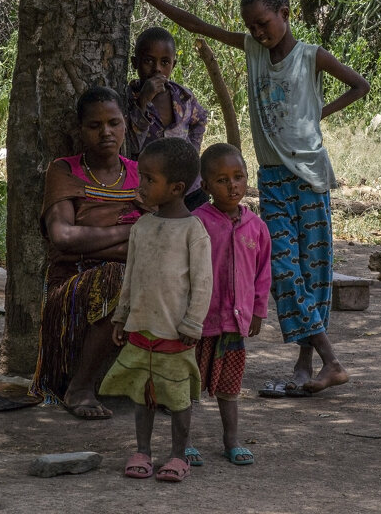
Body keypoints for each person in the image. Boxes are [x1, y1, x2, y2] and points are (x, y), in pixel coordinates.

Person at [134, 0, 369, 395]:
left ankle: (305, 366)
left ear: (286, 14)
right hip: (274, 180)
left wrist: (320, 113)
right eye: (252, 27)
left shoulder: (311, 56)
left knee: (312, 273)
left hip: (312, 178)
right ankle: (331, 359)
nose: (259, 33)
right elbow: (199, 26)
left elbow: (360, 86)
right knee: (282, 269)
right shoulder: (255, 52)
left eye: (264, 23)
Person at [99, 137, 213, 482]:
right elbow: (131, 277)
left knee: (178, 398)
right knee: (142, 395)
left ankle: (179, 455)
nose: (141, 185)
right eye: (141, 176)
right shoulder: (142, 227)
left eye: (150, 179)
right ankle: (143, 451)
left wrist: (193, 324)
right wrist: (121, 315)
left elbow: (202, 284)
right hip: (141, 329)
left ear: (177, 188)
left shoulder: (194, 232)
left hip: (176, 332)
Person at [32, 86, 144, 419]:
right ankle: (80, 387)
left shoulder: (141, 173)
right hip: (75, 278)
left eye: (114, 123)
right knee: (117, 278)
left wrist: (101, 238)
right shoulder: (64, 170)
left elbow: (160, 236)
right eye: (95, 126)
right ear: (81, 130)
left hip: (136, 269)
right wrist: (129, 233)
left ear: (125, 125)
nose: (106, 132)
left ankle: (166, 384)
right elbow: (64, 237)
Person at [183, 142, 272, 467]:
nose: (232, 185)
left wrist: (259, 309)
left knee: (230, 386)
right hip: (199, 320)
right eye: (222, 180)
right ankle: (185, 442)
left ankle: (231, 440)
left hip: (235, 321)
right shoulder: (196, 222)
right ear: (205, 186)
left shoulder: (257, 227)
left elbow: (263, 273)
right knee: (188, 385)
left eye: (238, 176)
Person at [126, 26, 210, 210]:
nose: (157, 69)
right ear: (135, 62)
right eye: (148, 61)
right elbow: (132, 144)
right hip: (151, 191)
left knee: (200, 229)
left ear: (173, 64)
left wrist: (191, 153)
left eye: (165, 62)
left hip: (189, 188)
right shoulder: (128, 100)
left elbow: (200, 119)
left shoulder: (183, 97)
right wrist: (143, 101)